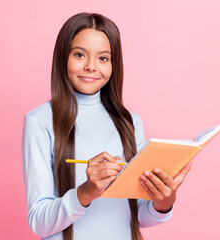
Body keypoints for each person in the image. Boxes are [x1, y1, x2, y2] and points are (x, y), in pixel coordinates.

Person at [22, 12, 192, 240]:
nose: (91, 66)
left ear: (114, 64)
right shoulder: (40, 121)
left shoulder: (129, 122)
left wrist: (163, 202)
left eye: (103, 58)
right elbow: (39, 222)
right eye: (80, 54)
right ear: (63, 57)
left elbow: (136, 214)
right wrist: (85, 192)